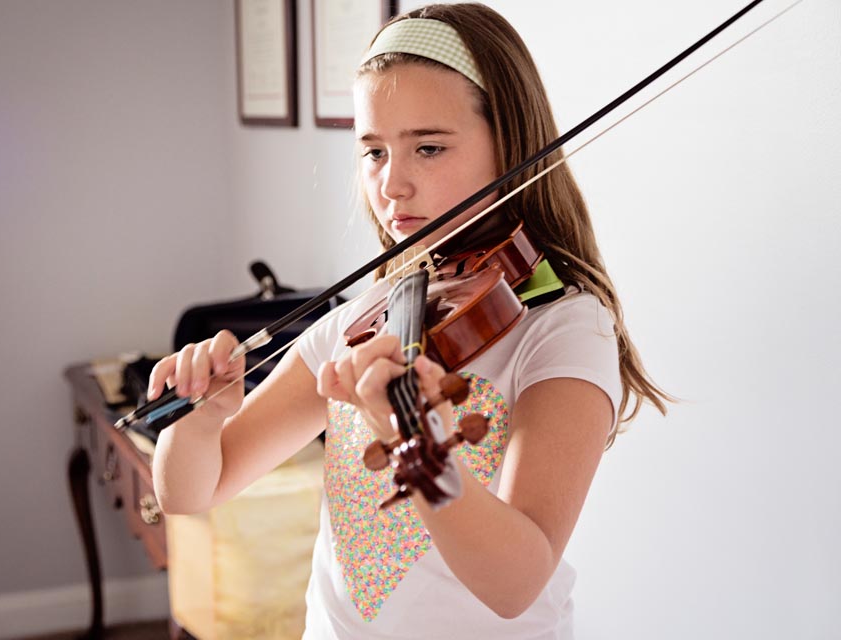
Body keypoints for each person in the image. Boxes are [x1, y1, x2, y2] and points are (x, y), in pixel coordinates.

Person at [148, 4, 670, 638]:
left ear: (510, 145)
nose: (392, 184)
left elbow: (516, 583)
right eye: (373, 152)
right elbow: (192, 492)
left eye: (428, 147)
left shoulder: (563, 330)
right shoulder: (365, 320)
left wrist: (419, 448)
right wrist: (202, 420)